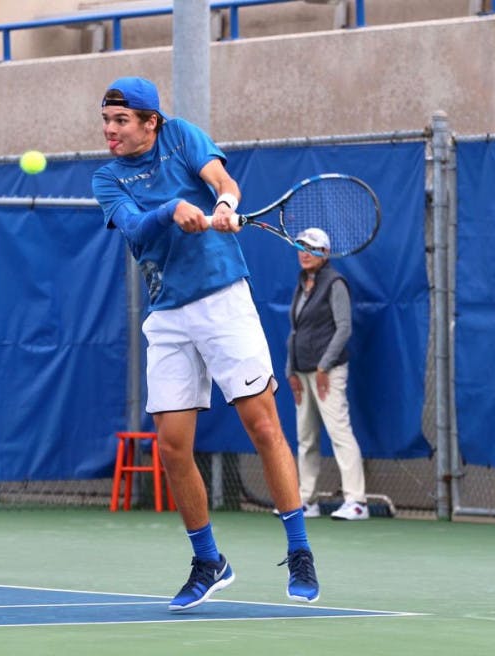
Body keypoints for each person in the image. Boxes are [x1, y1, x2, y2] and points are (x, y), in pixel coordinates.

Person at [92, 76, 319, 611]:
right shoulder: (107, 177)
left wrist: (221, 203)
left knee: (262, 424)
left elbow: (224, 180)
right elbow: (135, 231)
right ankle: (209, 561)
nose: (110, 131)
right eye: (106, 121)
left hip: (222, 299)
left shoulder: (183, 136)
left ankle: (301, 550)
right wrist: (173, 210)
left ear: (152, 122)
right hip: (166, 313)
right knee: (172, 446)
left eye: (121, 121)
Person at [285, 228, 369, 521]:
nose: (304, 252)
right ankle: (306, 501)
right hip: (302, 371)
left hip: (328, 372)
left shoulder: (335, 283)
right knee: (305, 438)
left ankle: (357, 502)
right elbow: (296, 330)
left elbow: (343, 328)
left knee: (339, 433)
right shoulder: (301, 283)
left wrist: (324, 366)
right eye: (300, 246)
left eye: (311, 248)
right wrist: (291, 370)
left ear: (325, 253)